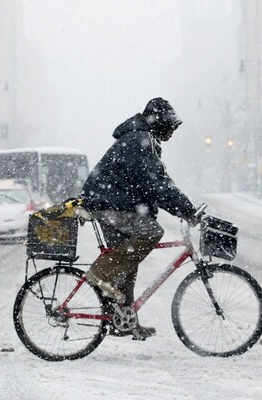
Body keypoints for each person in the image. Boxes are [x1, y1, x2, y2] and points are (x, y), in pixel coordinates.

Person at [80, 97, 197, 338]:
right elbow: (157, 185)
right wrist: (186, 210)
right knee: (152, 232)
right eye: (171, 127)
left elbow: (158, 183)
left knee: (127, 261)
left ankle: (123, 320)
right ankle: (100, 274)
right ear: (160, 123)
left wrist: (182, 207)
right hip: (108, 205)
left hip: (112, 203)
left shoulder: (143, 138)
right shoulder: (138, 140)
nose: (173, 133)